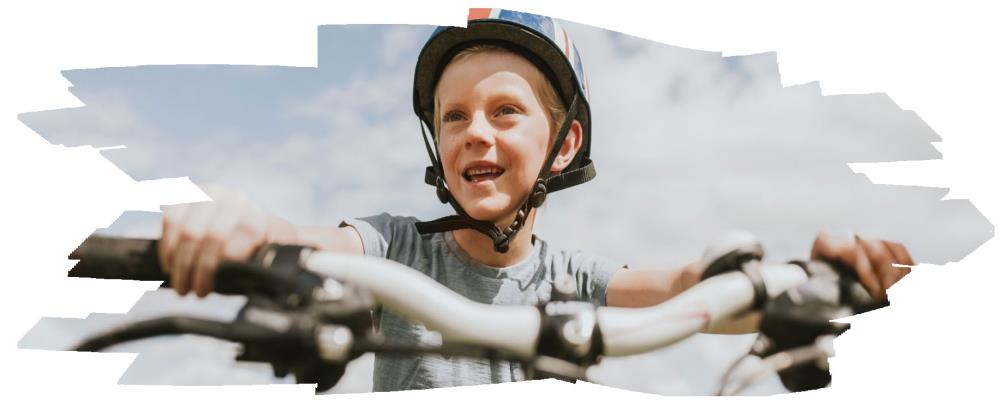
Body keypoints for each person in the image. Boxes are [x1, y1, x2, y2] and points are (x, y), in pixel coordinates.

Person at [157, 8, 913, 391]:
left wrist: (813, 279)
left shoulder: (574, 276)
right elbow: (314, 242)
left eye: (504, 112)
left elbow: (685, 287)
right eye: (453, 117)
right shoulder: (396, 248)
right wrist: (249, 229)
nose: (473, 133)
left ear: (566, 143)